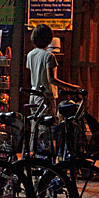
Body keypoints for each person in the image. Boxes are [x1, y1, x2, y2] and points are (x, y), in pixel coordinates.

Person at [26, 24, 80, 152]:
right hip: (45, 96)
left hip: (33, 95)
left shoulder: (30, 54)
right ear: (49, 39)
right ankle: (47, 157)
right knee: (46, 129)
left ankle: (32, 154)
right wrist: (72, 87)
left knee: (35, 127)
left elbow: (32, 75)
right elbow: (52, 80)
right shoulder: (49, 56)